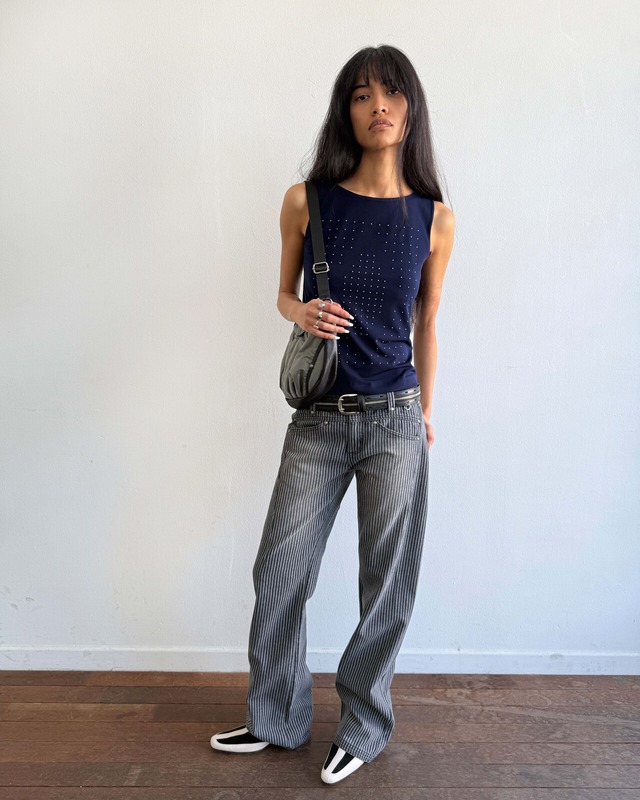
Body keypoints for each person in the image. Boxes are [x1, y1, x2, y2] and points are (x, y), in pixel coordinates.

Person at [211, 44, 455, 785]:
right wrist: (301, 311)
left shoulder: (435, 217)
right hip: (318, 421)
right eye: (361, 94)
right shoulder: (305, 201)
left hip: (395, 420)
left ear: (411, 108)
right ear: (344, 112)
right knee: (280, 569)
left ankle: (363, 724)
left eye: (392, 93)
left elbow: (428, 322)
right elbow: (282, 295)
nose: (378, 106)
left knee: (387, 583)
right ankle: (277, 719)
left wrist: (427, 413)